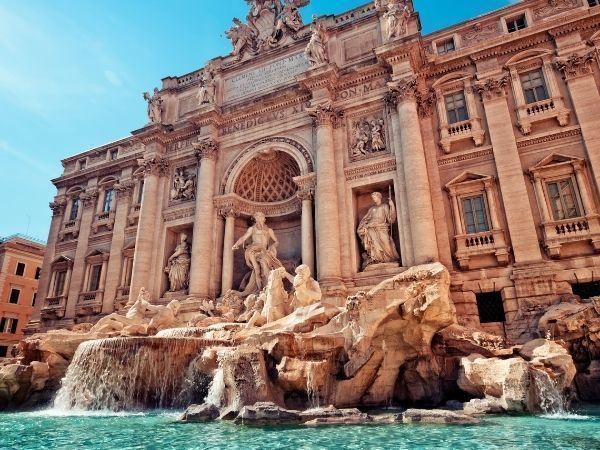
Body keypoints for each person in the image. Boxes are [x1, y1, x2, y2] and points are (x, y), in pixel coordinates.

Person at [233, 212, 282, 293]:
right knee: (256, 268)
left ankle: (266, 287)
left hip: (264, 251)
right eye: (257, 216)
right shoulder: (252, 229)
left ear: (264, 219)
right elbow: (244, 238)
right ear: (255, 219)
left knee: (264, 266)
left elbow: (276, 241)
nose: (259, 218)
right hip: (253, 250)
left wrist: (272, 247)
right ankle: (260, 289)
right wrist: (236, 244)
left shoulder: (269, 230)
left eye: (261, 216)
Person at [357, 191, 400, 269]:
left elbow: (390, 219)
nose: (373, 199)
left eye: (374, 197)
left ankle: (389, 259)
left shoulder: (384, 206)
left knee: (386, 242)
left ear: (379, 197)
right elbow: (366, 219)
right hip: (371, 228)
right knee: (374, 244)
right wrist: (364, 226)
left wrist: (392, 206)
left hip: (381, 228)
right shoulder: (372, 209)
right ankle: (376, 259)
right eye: (372, 198)